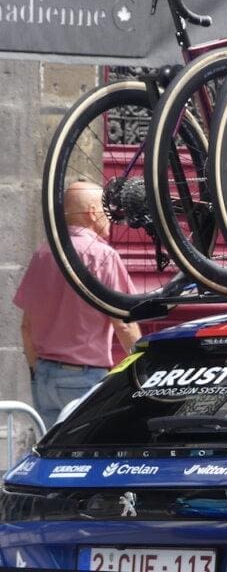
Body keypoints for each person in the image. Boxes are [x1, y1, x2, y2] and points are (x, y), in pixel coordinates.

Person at [15, 181, 141, 428]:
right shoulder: (102, 256)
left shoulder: (44, 253)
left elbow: (26, 327)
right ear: (92, 212)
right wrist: (142, 368)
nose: (109, 216)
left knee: (54, 456)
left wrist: (37, 370)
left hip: (44, 375)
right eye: (105, 209)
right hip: (84, 376)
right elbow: (124, 324)